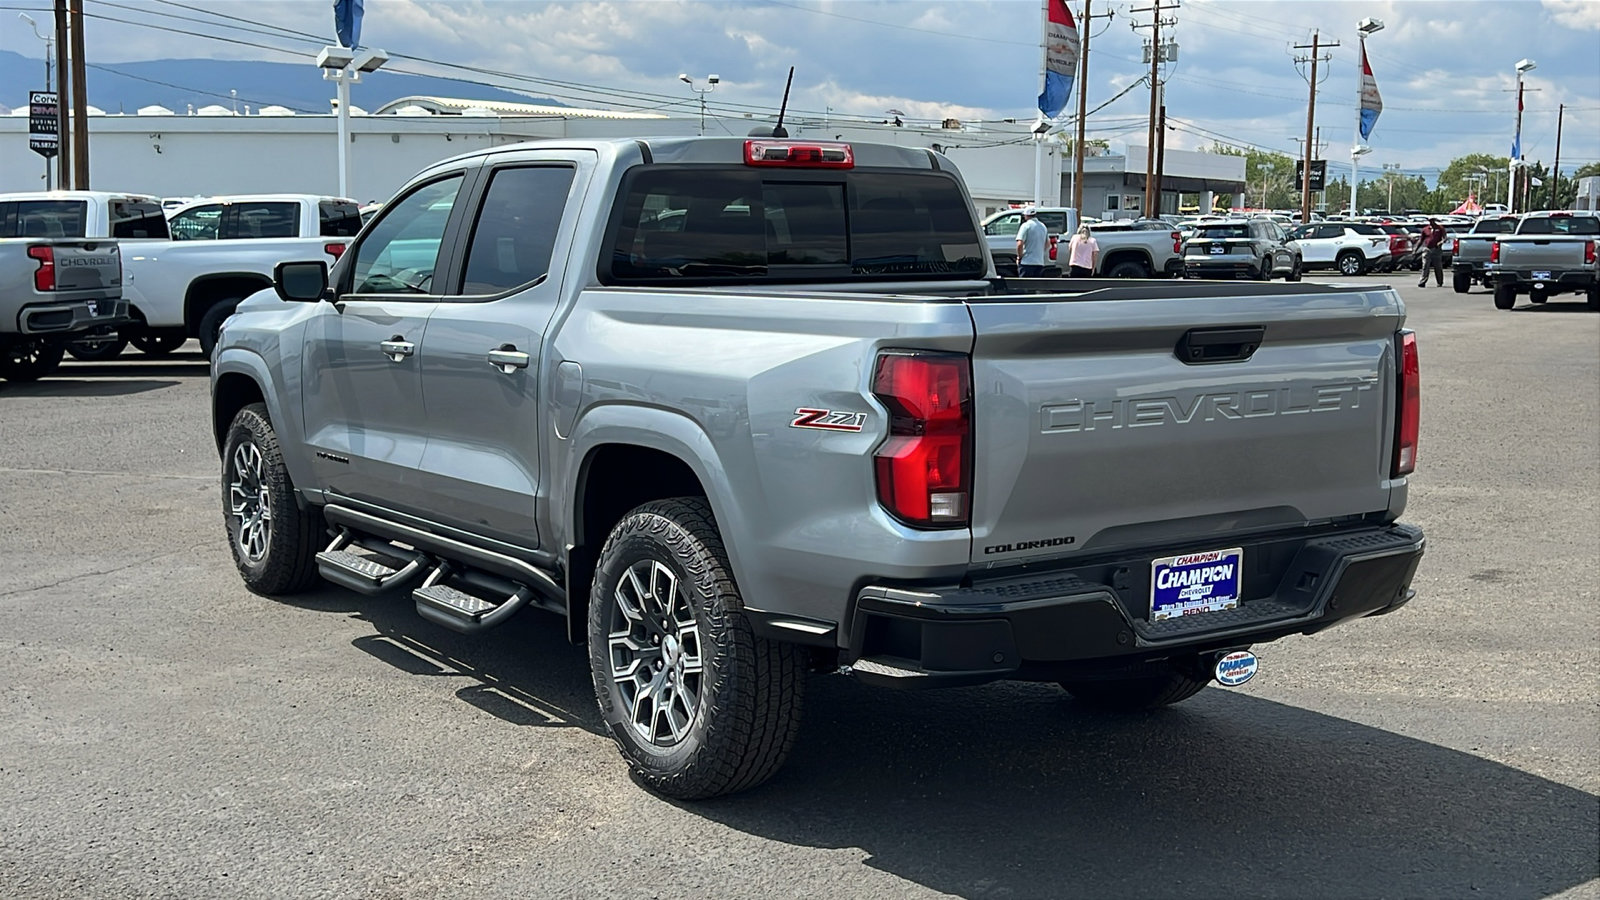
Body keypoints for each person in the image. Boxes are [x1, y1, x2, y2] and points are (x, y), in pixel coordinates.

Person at [1015, 206, 1050, 277]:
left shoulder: (1025, 226)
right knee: (1036, 286)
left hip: (1026, 262)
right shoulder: (1043, 226)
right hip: (1039, 262)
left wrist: (1019, 256)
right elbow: (1048, 243)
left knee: (1025, 286)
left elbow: (1020, 243)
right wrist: (1040, 252)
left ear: (1026, 215)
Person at [1418, 218, 1446, 287]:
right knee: (1425, 266)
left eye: (1432, 221)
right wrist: (1415, 249)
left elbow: (1444, 237)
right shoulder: (1425, 229)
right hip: (1427, 249)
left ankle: (1440, 282)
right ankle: (1422, 281)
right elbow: (1421, 240)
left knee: (1438, 267)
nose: (1431, 223)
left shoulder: (1440, 228)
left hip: (1436, 249)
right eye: (1430, 221)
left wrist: (1441, 242)